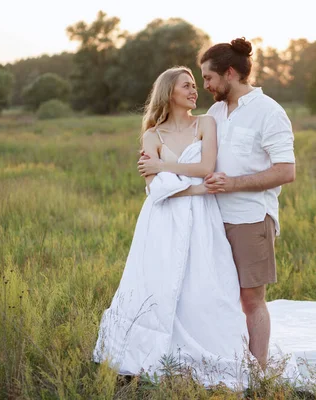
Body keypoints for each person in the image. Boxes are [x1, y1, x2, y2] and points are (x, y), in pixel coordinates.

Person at [138, 38, 296, 369]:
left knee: (251, 299)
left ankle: (259, 371)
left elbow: (286, 170)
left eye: (208, 78)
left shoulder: (269, 112)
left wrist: (234, 183)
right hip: (207, 218)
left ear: (229, 73)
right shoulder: (215, 112)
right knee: (215, 296)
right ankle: (226, 360)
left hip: (248, 218)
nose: (205, 86)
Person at [94, 66, 250, 388]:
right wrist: (194, 188)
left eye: (196, 85)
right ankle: (143, 356)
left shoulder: (205, 123)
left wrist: (164, 166)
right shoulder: (152, 135)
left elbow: (206, 166)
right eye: (187, 85)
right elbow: (154, 188)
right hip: (162, 220)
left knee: (204, 282)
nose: (195, 91)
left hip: (201, 219)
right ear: (169, 91)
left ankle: (203, 354)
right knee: (154, 284)